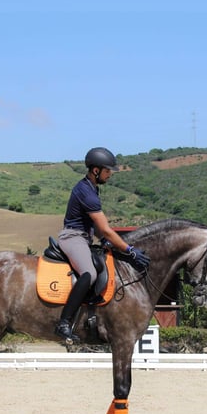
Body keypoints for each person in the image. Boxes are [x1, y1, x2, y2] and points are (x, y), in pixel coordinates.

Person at [54, 146, 150, 342]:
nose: (110, 175)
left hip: (84, 237)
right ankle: (64, 322)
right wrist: (129, 250)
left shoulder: (92, 188)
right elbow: (106, 229)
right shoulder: (86, 192)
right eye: (107, 171)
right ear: (95, 170)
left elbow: (96, 228)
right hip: (72, 238)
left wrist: (105, 240)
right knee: (88, 273)